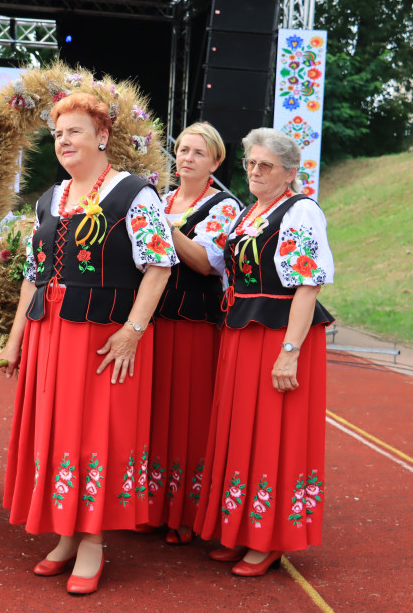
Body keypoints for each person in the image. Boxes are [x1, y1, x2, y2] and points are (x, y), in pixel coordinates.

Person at [0, 93, 177, 595]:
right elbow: (34, 277)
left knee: (98, 433)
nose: (64, 141)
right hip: (49, 334)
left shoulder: (135, 193)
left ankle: (93, 540)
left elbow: (160, 265)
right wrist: (15, 343)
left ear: (102, 136)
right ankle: (66, 534)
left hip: (103, 340)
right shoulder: (48, 200)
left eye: (74, 131)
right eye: (58, 134)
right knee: (56, 432)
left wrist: (132, 332)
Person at [194, 127, 334, 576]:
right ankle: (240, 530)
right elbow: (215, 265)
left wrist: (290, 350)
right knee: (242, 430)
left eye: (265, 165)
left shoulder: (300, 212)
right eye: (251, 163)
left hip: (279, 335)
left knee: (275, 434)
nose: (255, 171)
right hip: (242, 333)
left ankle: (271, 538)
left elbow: (308, 286)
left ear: (290, 173)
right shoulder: (251, 212)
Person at [143, 122, 240, 544]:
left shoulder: (224, 206)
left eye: (198, 152)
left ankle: (186, 512)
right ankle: (150, 507)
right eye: (182, 150)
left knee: (189, 414)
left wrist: (162, 226)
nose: (186, 158)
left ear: (215, 161)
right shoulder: (162, 199)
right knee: (155, 412)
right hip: (154, 320)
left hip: (195, 324)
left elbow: (204, 262)